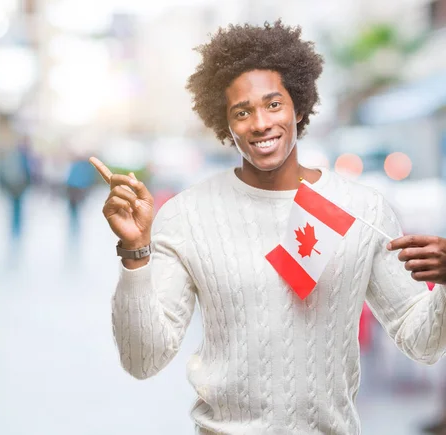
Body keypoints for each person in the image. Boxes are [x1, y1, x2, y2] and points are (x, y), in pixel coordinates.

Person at [89, 20, 446, 435]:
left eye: (273, 104)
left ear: (299, 105)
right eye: (242, 112)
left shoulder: (362, 209)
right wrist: (135, 252)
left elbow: (422, 343)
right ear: (225, 123)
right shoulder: (188, 215)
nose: (260, 123)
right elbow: (142, 359)